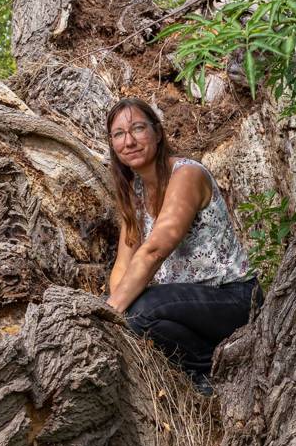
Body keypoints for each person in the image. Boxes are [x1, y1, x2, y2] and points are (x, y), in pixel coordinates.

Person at [104, 97, 258, 390]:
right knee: (132, 314)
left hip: (231, 298)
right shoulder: (134, 191)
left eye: (138, 128)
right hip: (183, 306)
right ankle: (203, 363)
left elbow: (154, 251)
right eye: (119, 134)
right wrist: (115, 316)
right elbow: (123, 263)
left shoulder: (186, 174)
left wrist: (110, 316)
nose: (130, 141)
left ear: (158, 133)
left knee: (138, 309)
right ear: (112, 144)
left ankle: (212, 371)